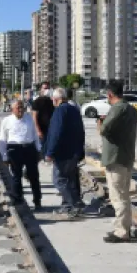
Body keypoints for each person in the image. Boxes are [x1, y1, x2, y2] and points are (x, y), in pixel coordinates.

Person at [99, 80, 137, 243]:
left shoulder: (117, 109)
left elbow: (104, 130)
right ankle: (124, 228)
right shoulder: (132, 110)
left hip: (115, 158)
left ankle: (122, 232)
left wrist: (101, 122)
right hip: (126, 156)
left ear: (110, 94)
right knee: (124, 194)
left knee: (118, 196)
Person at [43, 87, 86, 218]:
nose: (52, 101)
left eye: (53, 99)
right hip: (74, 152)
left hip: (63, 153)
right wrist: (80, 150)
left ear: (57, 99)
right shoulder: (74, 110)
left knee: (59, 180)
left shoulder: (60, 111)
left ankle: (75, 204)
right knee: (70, 180)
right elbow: (81, 131)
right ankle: (68, 206)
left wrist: (49, 152)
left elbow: (56, 133)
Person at [0, 99, 42, 210]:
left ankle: (37, 201)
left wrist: (39, 149)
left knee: (34, 176)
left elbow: (35, 136)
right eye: (18, 108)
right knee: (16, 176)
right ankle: (17, 200)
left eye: (22, 107)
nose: (21, 110)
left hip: (29, 148)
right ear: (12, 109)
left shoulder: (29, 119)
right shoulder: (6, 121)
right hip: (14, 149)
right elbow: (2, 139)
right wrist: (4, 155)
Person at [30, 81, 55, 155]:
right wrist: (38, 130)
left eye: (48, 88)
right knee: (42, 146)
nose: (46, 90)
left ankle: (48, 158)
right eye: (45, 88)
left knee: (50, 145)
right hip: (41, 128)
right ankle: (44, 158)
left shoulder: (52, 102)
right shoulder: (37, 102)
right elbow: (34, 117)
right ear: (41, 89)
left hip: (51, 128)